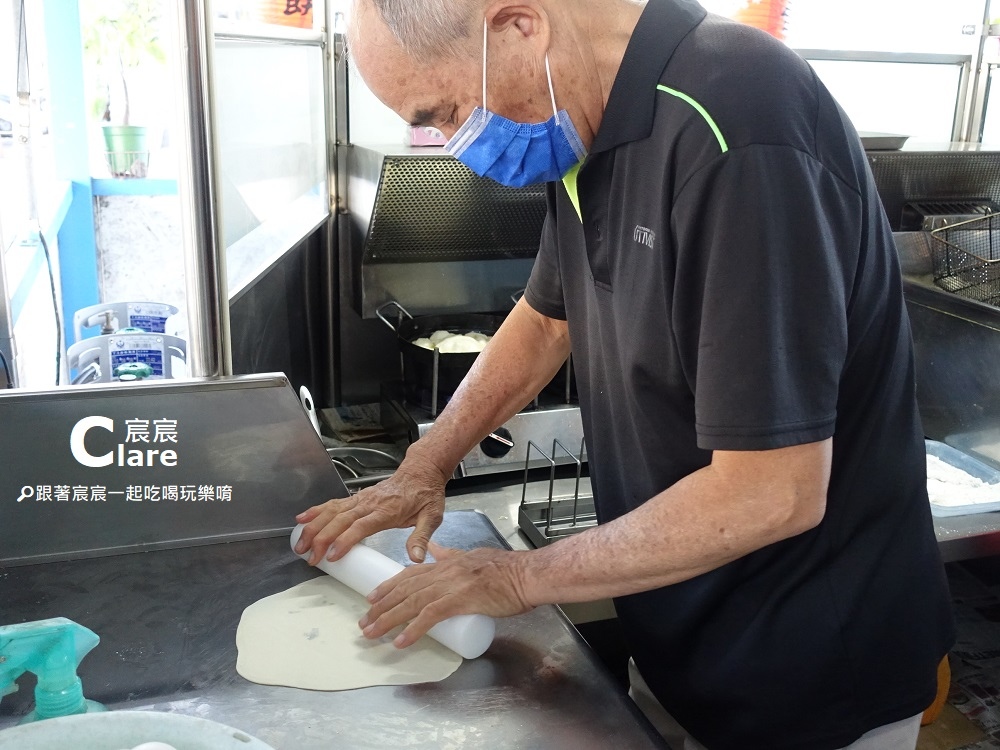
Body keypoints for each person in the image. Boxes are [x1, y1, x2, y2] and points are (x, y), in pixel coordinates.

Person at [295, 1, 956, 747]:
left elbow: (772, 492)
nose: (456, 145)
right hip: (678, 631)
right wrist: (426, 462)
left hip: (806, 674)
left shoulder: (740, 125)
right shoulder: (582, 117)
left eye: (446, 112)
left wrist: (513, 578)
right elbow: (547, 319)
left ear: (519, 26)